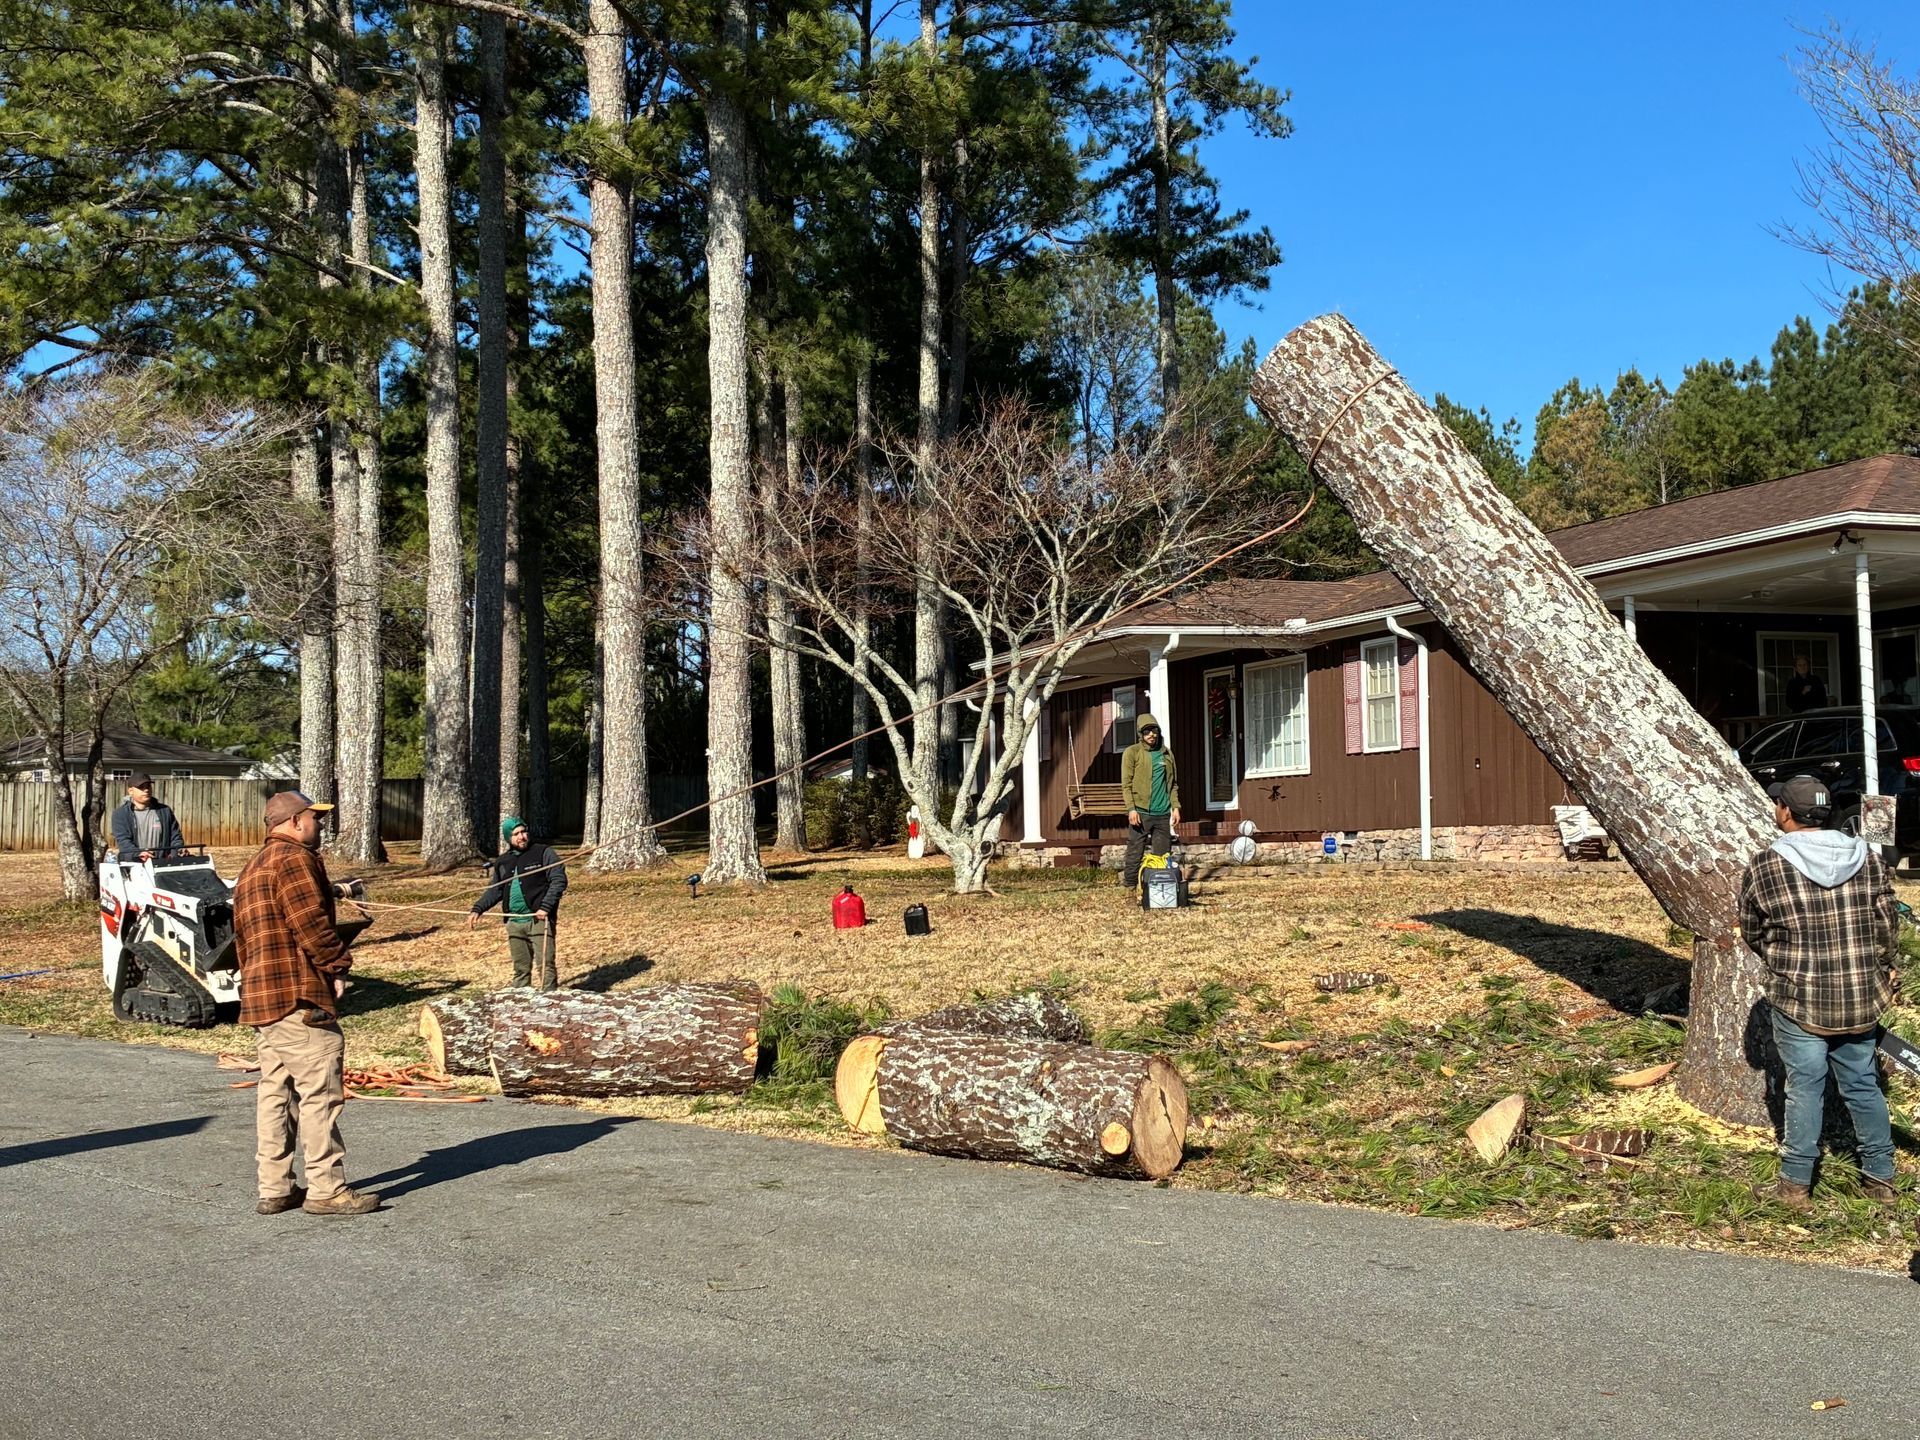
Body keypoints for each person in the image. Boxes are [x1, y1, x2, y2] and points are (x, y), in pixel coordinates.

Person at [1738, 773, 1900, 1212]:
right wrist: (1883, 969)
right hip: (1860, 994)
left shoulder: (1767, 863)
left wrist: (1779, 957)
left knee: (1804, 1088)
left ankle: (1795, 1187)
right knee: (1863, 1084)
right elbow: (1887, 927)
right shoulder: (1867, 858)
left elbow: (1752, 927)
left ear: (1785, 812)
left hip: (1800, 996)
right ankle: (1880, 1180)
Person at [233, 789, 378, 1217]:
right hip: (297, 996)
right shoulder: (293, 859)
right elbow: (310, 923)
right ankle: (327, 1189)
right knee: (320, 1093)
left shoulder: (251, 868)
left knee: (275, 1093)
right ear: (296, 821)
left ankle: (275, 1187)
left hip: (263, 997)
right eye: (315, 818)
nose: (320, 825)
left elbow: (241, 942)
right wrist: (337, 965)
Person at [467, 817, 569, 989]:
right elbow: (496, 890)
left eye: (523, 832)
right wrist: (478, 909)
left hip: (539, 920)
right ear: (508, 838)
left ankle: (549, 1003)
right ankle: (520, 1004)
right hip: (514, 922)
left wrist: (546, 906)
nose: (522, 837)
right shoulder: (502, 861)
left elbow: (558, 880)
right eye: (516, 834)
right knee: (520, 969)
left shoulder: (544, 852)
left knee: (546, 966)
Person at [1119, 714, 1180, 890]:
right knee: (1135, 851)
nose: (1151, 735)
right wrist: (1131, 809)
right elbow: (1126, 785)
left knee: (1162, 855)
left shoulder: (1167, 754)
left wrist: (1175, 807)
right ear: (1141, 734)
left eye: (1154, 730)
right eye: (1146, 731)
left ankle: (1159, 888)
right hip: (1141, 812)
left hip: (1162, 813)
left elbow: (1173, 784)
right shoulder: (1132, 753)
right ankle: (1130, 886)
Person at [110, 774, 185, 861]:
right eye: (141, 787)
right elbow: (123, 842)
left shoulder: (164, 811)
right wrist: (138, 854)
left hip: (163, 864)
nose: (146, 790)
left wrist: (178, 850)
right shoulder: (120, 814)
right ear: (130, 791)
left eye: (148, 786)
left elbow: (175, 837)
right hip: (135, 865)